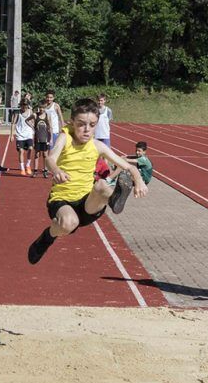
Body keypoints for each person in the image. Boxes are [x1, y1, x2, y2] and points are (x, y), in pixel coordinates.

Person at [27, 98, 148, 265]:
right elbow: (50, 159)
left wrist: (138, 179)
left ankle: (114, 199)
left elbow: (128, 166)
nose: (86, 130)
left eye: (92, 125)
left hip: (88, 204)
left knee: (101, 185)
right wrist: (57, 171)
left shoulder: (98, 146)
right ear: (72, 122)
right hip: (62, 201)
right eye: (81, 124)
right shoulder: (65, 138)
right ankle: (47, 237)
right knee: (69, 223)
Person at [10, 100, 35, 176]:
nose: (24, 106)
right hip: (20, 135)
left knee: (31, 148)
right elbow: (13, 123)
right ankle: (22, 168)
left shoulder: (30, 112)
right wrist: (11, 135)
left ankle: (28, 165)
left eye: (25, 105)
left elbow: (33, 121)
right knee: (21, 151)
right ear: (20, 105)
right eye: (22, 105)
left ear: (28, 105)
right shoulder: (17, 113)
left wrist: (33, 128)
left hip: (28, 134)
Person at [32, 100, 52, 178]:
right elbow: (27, 120)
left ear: (45, 108)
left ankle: (45, 171)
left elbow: (50, 127)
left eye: (43, 108)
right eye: (40, 107)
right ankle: (35, 171)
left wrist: (50, 139)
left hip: (45, 138)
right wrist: (32, 127)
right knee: (37, 155)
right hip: (37, 139)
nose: (41, 109)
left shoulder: (47, 116)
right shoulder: (35, 115)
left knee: (45, 155)